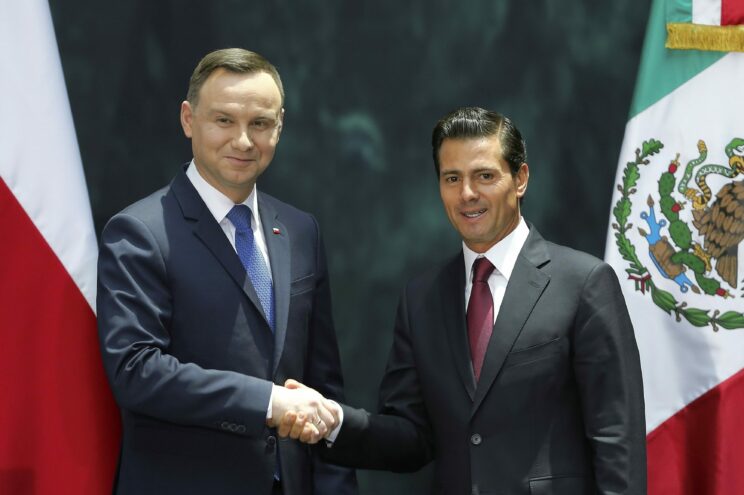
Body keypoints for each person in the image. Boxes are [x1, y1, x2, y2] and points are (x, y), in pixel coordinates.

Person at [280, 107, 647, 494]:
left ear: (520, 179)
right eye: (452, 178)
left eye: (484, 176)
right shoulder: (422, 299)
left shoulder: (583, 283)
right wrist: (334, 422)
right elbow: (411, 437)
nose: (467, 193)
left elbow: (616, 441)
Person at [97, 48, 357, 495]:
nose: (243, 140)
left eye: (260, 123)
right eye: (224, 120)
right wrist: (268, 402)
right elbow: (136, 370)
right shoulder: (139, 232)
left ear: (279, 126)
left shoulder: (300, 230)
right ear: (188, 119)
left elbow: (323, 385)